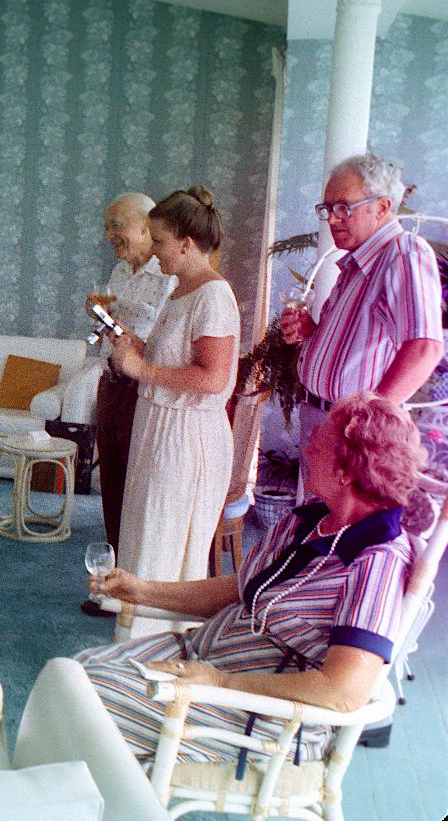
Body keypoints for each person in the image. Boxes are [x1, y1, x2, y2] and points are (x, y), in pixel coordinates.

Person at [77, 393, 424, 764]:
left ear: (345, 471)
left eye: (318, 447)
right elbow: (240, 590)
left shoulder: (376, 560)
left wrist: (221, 683)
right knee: (77, 672)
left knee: (83, 698)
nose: (306, 452)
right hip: (200, 658)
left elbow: (343, 690)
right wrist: (143, 591)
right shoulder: (309, 521)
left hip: (256, 714)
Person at [110, 186, 239, 633]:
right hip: (160, 429)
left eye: (159, 241)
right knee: (144, 540)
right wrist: (135, 347)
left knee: (163, 548)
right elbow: (175, 360)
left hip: (186, 441)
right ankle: (132, 650)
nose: (154, 251)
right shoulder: (181, 290)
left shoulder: (213, 296)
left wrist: (140, 367)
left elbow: (213, 378)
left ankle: (158, 655)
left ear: (186, 243)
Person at [284, 153, 442, 487]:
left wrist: (366, 421)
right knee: (316, 526)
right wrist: (312, 333)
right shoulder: (355, 264)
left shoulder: (403, 252)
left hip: (350, 430)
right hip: (322, 417)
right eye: (326, 209)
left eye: (344, 207)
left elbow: (424, 346)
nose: (332, 219)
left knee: (336, 530)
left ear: (383, 207)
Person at [84, 192, 177, 617]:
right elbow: (114, 331)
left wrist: (113, 320)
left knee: (138, 487)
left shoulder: (169, 274)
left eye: (115, 226)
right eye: (107, 227)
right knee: (112, 483)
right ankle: (110, 578)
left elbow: (155, 337)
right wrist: (100, 317)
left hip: (143, 389)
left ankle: (136, 587)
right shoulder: (121, 270)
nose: (109, 236)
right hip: (111, 383)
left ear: (144, 226)